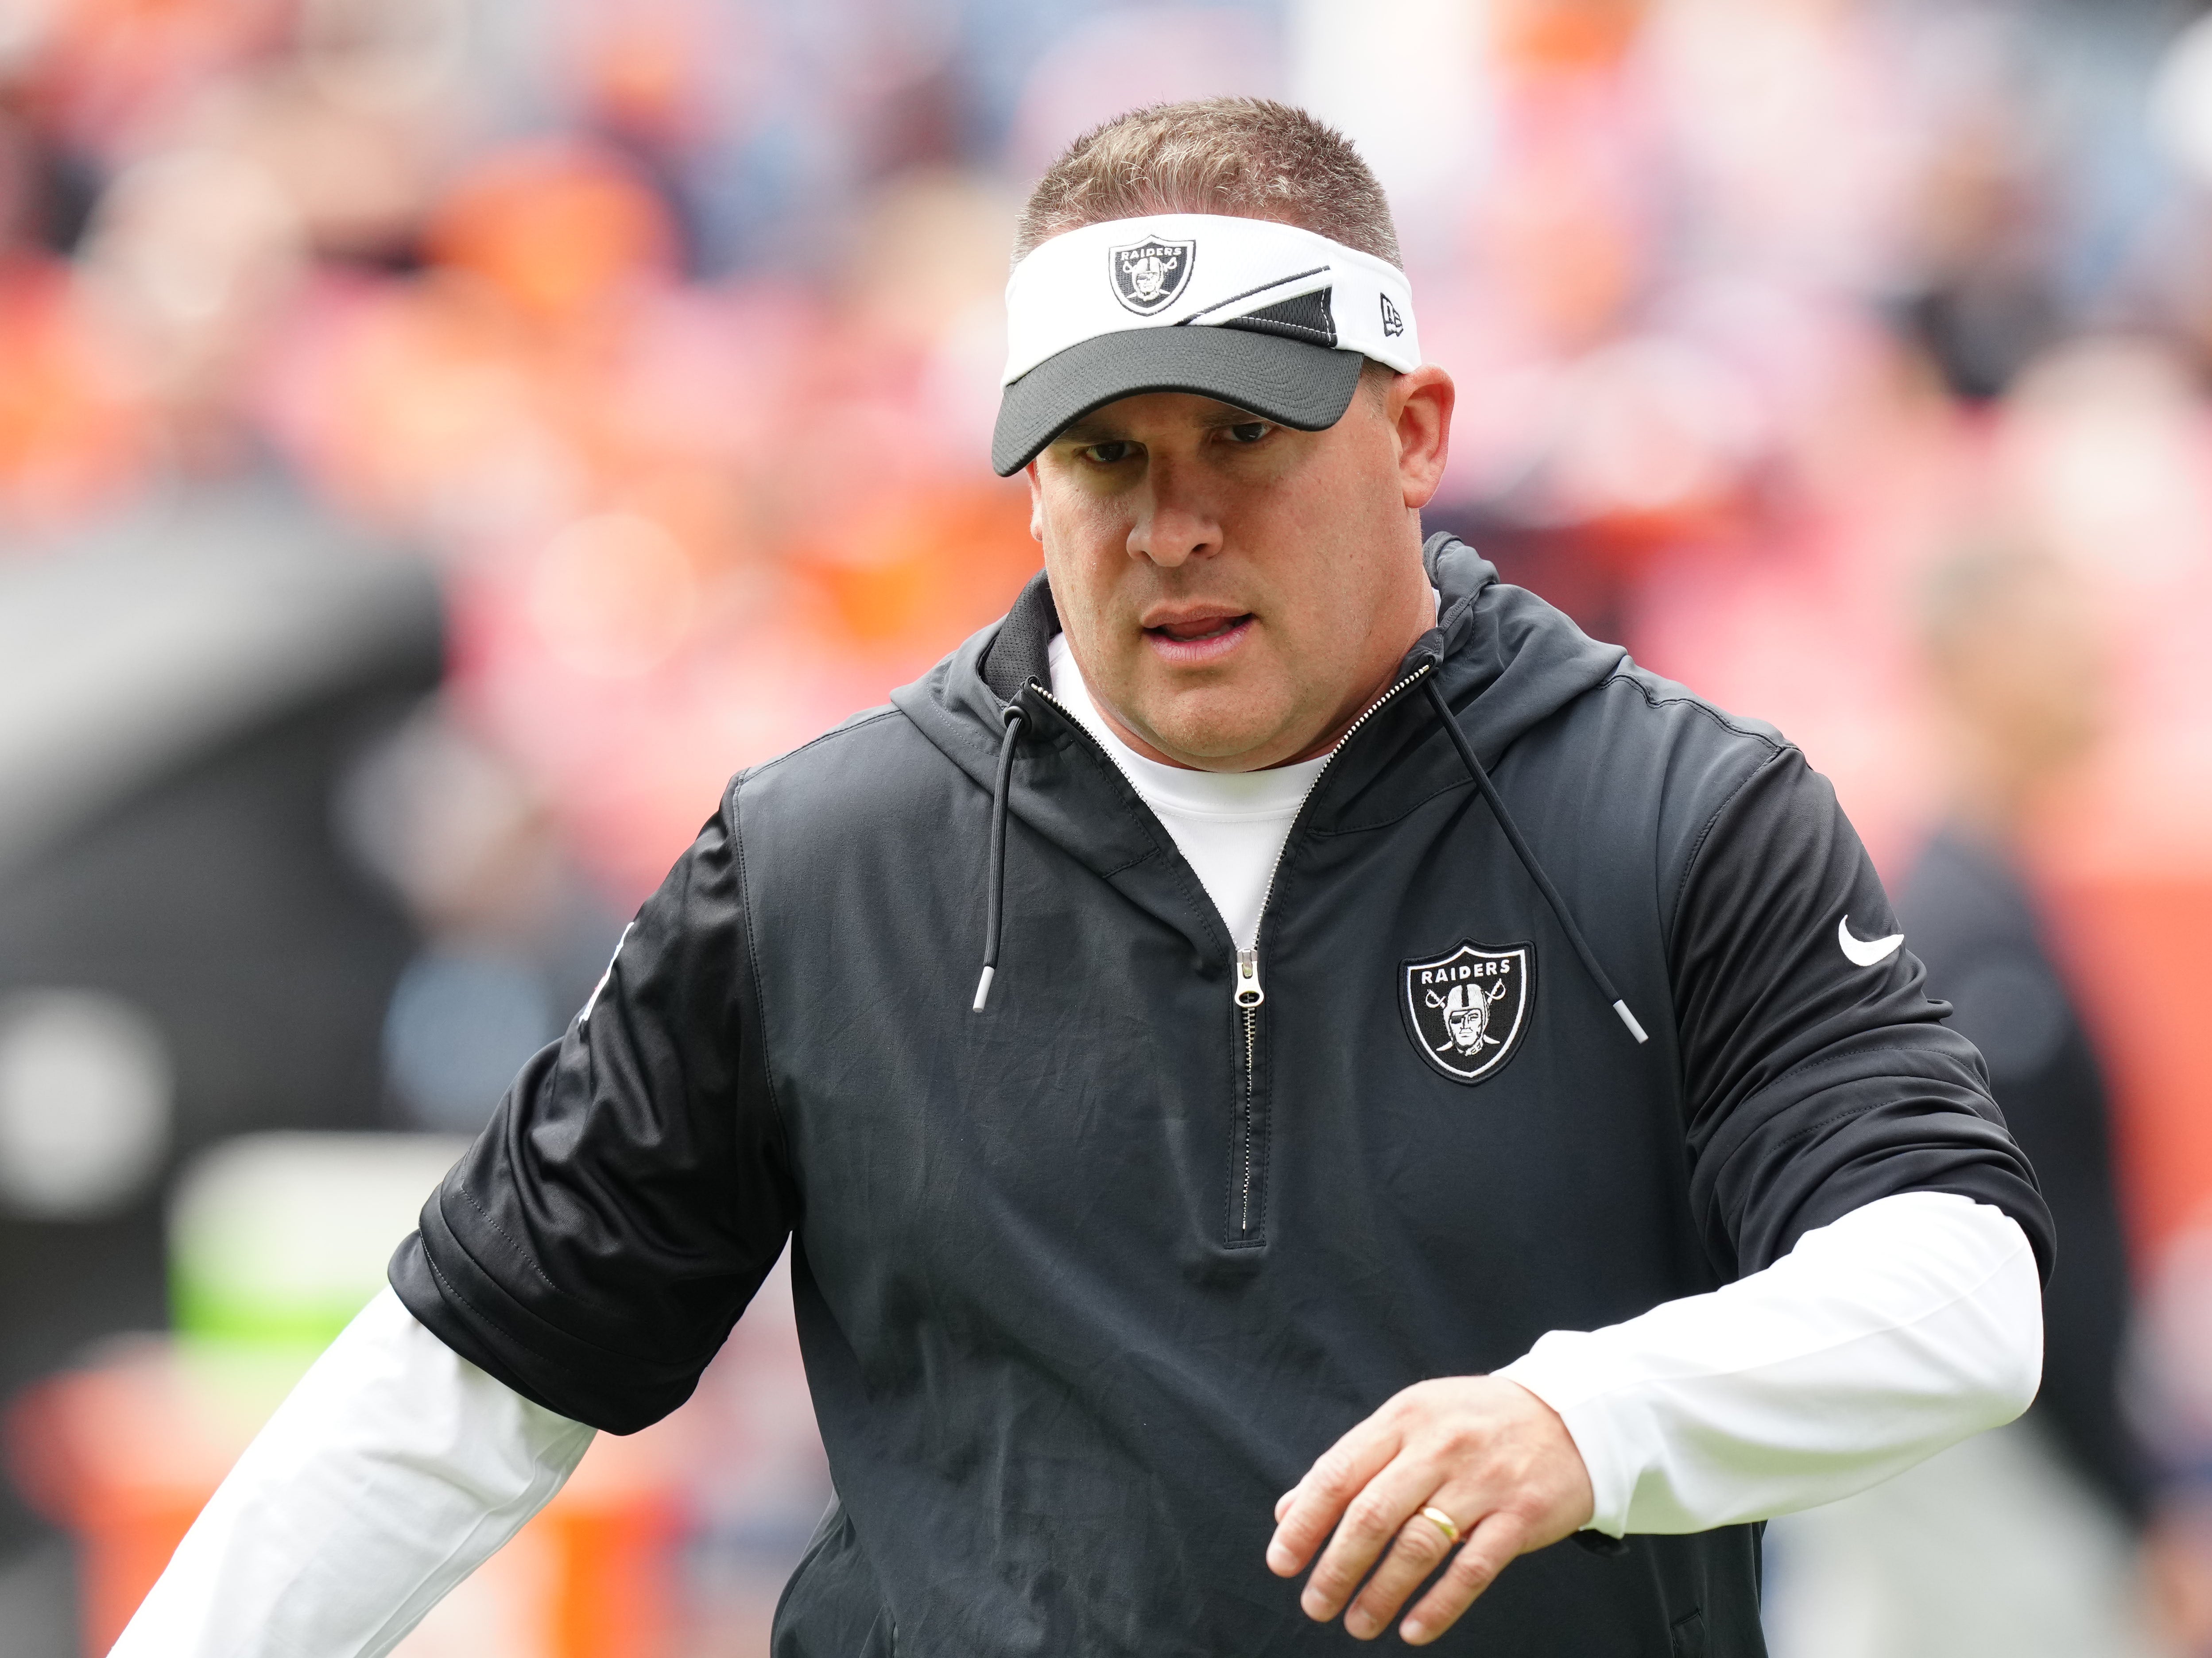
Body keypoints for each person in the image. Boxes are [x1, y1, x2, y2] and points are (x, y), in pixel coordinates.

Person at [114, 100, 2051, 1656]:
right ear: (1025, 482)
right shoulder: (817, 866)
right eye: (1106, 454)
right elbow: (467, 1382)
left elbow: (1959, 1289)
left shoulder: (1671, 811)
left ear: (1414, 435)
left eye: (1243, 437)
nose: (1175, 523)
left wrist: (1582, 1422)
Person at [1765, 543, 2160, 1658]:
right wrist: (2139, 1502)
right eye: (2064, 632)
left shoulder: (1952, 908)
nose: (2101, 662)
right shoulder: (1961, 931)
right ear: (1978, 659)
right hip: (1985, 1484)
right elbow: (2033, 1255)